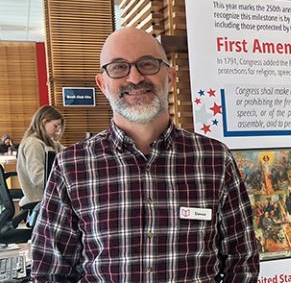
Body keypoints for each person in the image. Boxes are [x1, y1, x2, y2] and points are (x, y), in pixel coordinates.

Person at [30, 28, 260, 282]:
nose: (135, 77)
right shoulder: (71, 167)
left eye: (147, 64)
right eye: (119, 67)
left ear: (171, 77)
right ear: (102, 83)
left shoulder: (214, 160)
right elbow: (50, 271)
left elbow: (243, 260)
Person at [16, 106, 65, 207]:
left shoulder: (48, 142)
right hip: (40, 197)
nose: (58, 131)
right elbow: (38, 177)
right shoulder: (33, 144)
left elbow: (67, 152)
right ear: (44, 122)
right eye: (55, 126)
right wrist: (63, 184)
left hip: (46, 195)